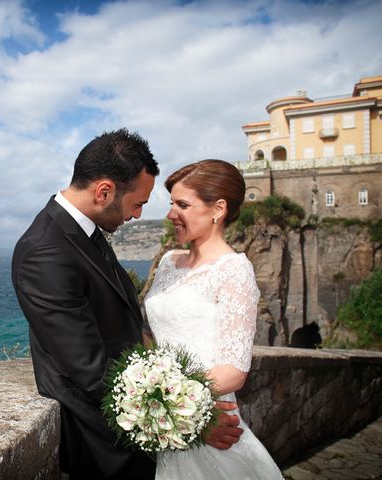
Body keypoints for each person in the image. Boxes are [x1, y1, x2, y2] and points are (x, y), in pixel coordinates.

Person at [12, 132, 244, 479]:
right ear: (104, 192)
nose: (138, 215)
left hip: (138, 427)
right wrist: (189, 421)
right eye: (137, 203)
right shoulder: (45, 250)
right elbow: (91, 373)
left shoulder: (83, 233)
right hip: (104, 441)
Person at [144, 159, 283, 479]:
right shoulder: (168, 261)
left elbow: (234, 371)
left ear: (218, 209)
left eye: (182, 204)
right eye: (171, 204)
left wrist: (169, 400)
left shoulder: (234, 270)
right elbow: (152, 334)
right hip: (168, 423)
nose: (170, 214)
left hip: (209, 418)